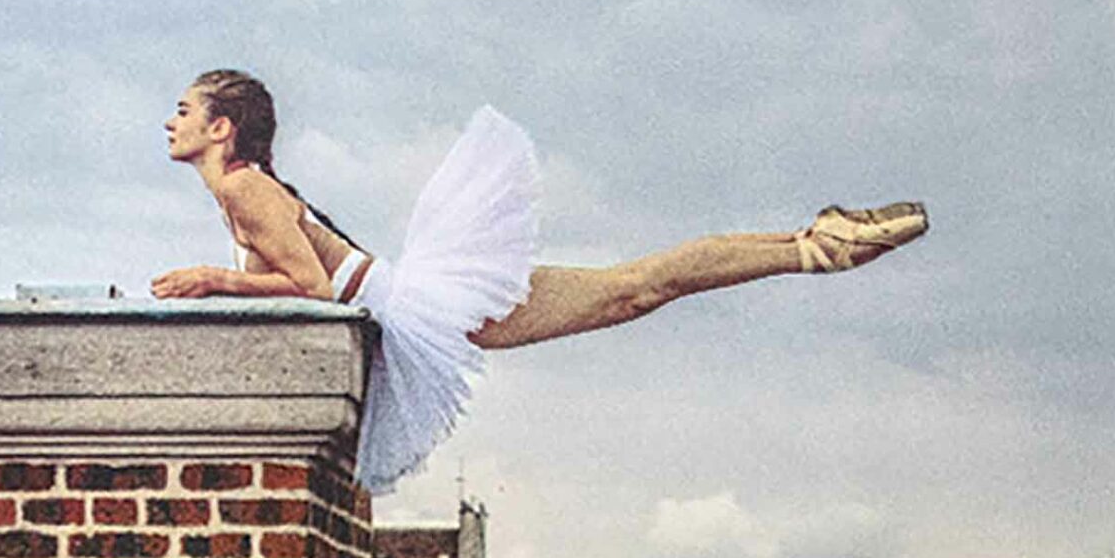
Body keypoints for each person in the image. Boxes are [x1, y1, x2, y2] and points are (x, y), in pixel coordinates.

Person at [153, 69, 926, 495]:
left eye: (184, 110)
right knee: (636, 286)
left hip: (423, 307)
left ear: (222, 128)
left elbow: (315, 291)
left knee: (637, 288)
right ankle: (815, 242)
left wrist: (212, 281)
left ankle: (816, 246)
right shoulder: (244, 189)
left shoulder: (243, 188)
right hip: (414, 303)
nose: (171, 121)